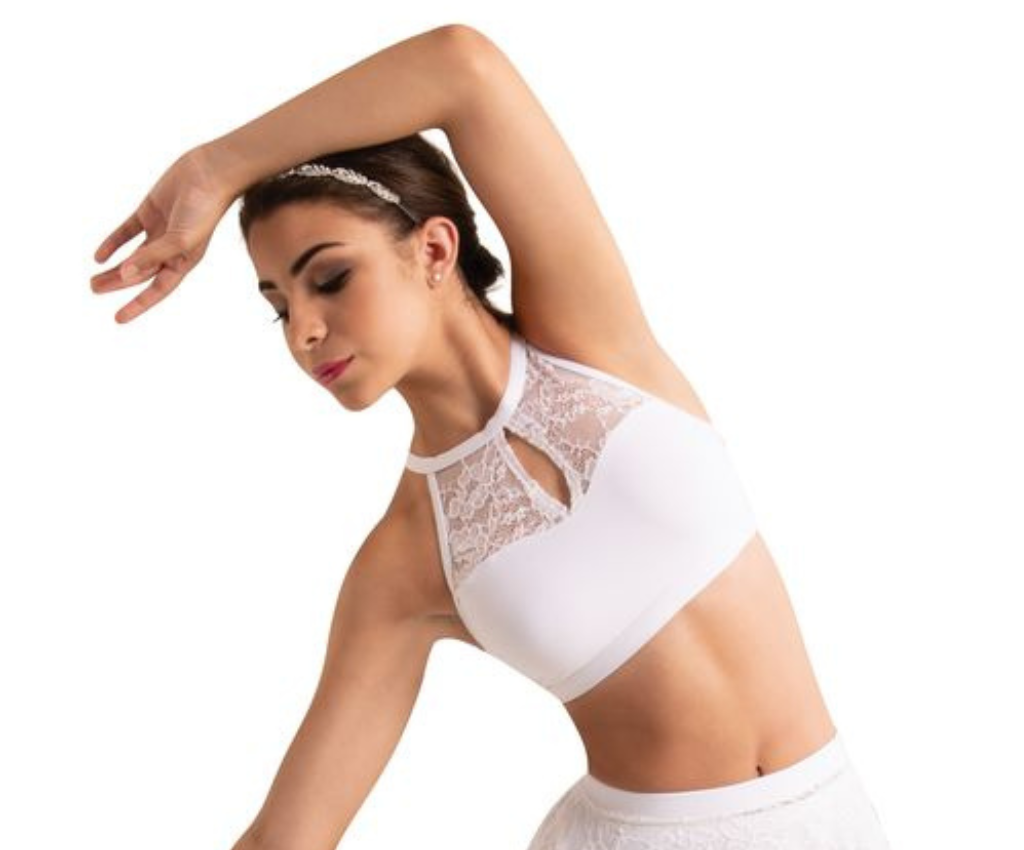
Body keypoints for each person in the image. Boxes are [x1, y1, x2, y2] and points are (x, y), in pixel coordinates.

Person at [89, 23, 892, 850]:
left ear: (436, 248)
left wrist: (216, 168)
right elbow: (284, 840)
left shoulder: (592, 342)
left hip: (835, 815)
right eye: (279, 307)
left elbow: (462, 68)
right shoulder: (406, 558)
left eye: (329, 278)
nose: (303, 331)